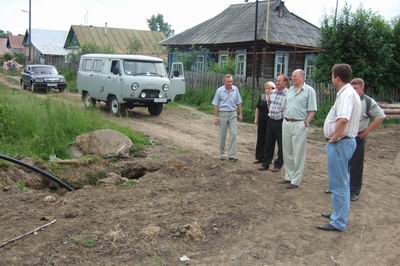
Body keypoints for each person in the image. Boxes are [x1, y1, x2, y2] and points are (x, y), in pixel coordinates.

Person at [318, 64, 361, 232]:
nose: (331, 79)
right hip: (345, 142)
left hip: (341, 143)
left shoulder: (346, 94)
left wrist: (333, 138)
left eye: (332, 76)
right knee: (341, 181)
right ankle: (338, 213)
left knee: (338, 183)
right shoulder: (349, 93)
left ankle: (338, 221)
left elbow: (343, 120)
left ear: (336, 77)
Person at [349, 78, 386, 201]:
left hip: (358, 137)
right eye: (351, 88)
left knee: (355, 165)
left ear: (362, 89)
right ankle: (338, 187)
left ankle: (354, 191)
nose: (353, 91)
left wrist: (366, 131)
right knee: (342, 163)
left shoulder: (368, 101)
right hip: (344, 136)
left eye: (356, 88)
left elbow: (380, 116)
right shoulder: (347, 99)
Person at [281, 69, 317, 189]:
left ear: (302, 77)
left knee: (298, 152)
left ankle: (296, 180)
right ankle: (289, 176)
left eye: (295, 76)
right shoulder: (289, 90)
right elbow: (284, 106)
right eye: (292, 76)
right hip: (287, 122)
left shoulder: (309, 91)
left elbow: (312, 110)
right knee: (287, 151)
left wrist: (307, 122)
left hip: (299, 124)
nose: (293, 78)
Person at [259, 75, 288, 171]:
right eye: (276, 81)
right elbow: (269, 104)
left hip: (281, 122)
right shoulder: (273, 92)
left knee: (281, 144)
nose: (277, 83)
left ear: (285, 83)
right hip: (271, 120)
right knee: (268, 142)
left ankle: (278, 165)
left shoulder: (288, 94)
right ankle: (265, 163)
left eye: (279, 81)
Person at [212, 74, 243, 161]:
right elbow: (215, 104)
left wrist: (240, 113)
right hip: (223, 114)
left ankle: (232, 155)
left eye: (231, 81)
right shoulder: (219, 91)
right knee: (222, 135)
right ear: (224, 82)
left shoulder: (235, 89)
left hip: (233, 113)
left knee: (234, 134)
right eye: (228, 81)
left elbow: (239, 102)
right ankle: (222, 154)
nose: (230, 83)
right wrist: (215, 117)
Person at [254, 81, 275, 163]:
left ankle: (267, 159)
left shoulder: (274, 97)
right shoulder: (262, 97)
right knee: (260, 138)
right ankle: (259, 157)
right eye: (266, 88)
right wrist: (256, 118)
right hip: (262, 121)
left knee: (269, 140)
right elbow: (257, 108)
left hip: (270, 121)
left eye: (269, 88)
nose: (267, 90)